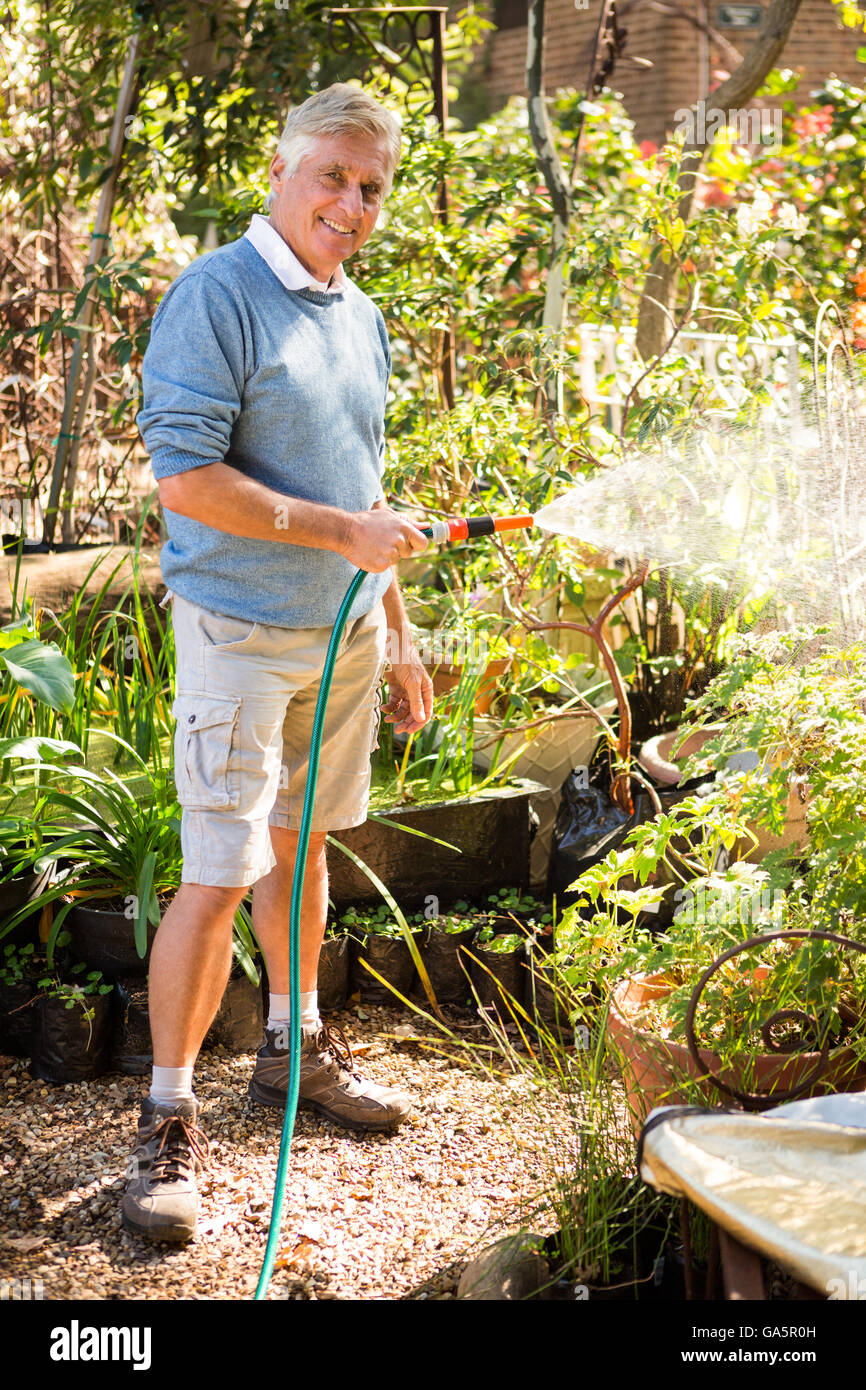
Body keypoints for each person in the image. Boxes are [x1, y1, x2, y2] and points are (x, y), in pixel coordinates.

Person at [125, 83, 434, 1243]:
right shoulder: (216, 298)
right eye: (333, 178)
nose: (350, 205)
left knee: (300, 846)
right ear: (279, 167)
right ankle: (163, 1119)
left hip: (346, 629)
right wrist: (341, 536)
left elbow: (364, 487)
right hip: (241, 632)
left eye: (371, 188)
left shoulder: (358, 315)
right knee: (217, 868)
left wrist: (393, 623)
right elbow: (187, 480)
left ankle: (289, 1047)